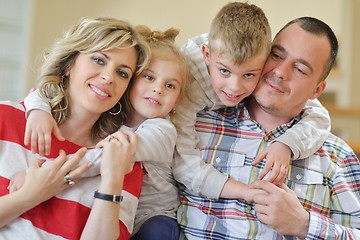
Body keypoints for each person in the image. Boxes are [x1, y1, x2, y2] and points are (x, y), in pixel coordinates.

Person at [179, 16, 360, 239]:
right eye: (276, 55)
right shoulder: (197, 123)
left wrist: (304, 225)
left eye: (300, 69)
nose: (280, 72)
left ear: (317, 90)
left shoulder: (338, 157)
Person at [11, 26, 189, 240]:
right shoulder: (113, 122)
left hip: (153, 216)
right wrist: (38, 110)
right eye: (149, 78)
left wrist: (46, 174)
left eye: (170, 85)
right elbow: (40, 92)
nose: (158, 89)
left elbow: (107, 157)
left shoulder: (161, 131)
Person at [172, 1, 331, 203]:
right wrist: (243, 191)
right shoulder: (187, 84)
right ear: (207, 55)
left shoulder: (262, 66)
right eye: (224, 71)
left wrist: (286, 145)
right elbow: (183, 163)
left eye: (248, 74)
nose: (235, 87)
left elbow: (318, 114)